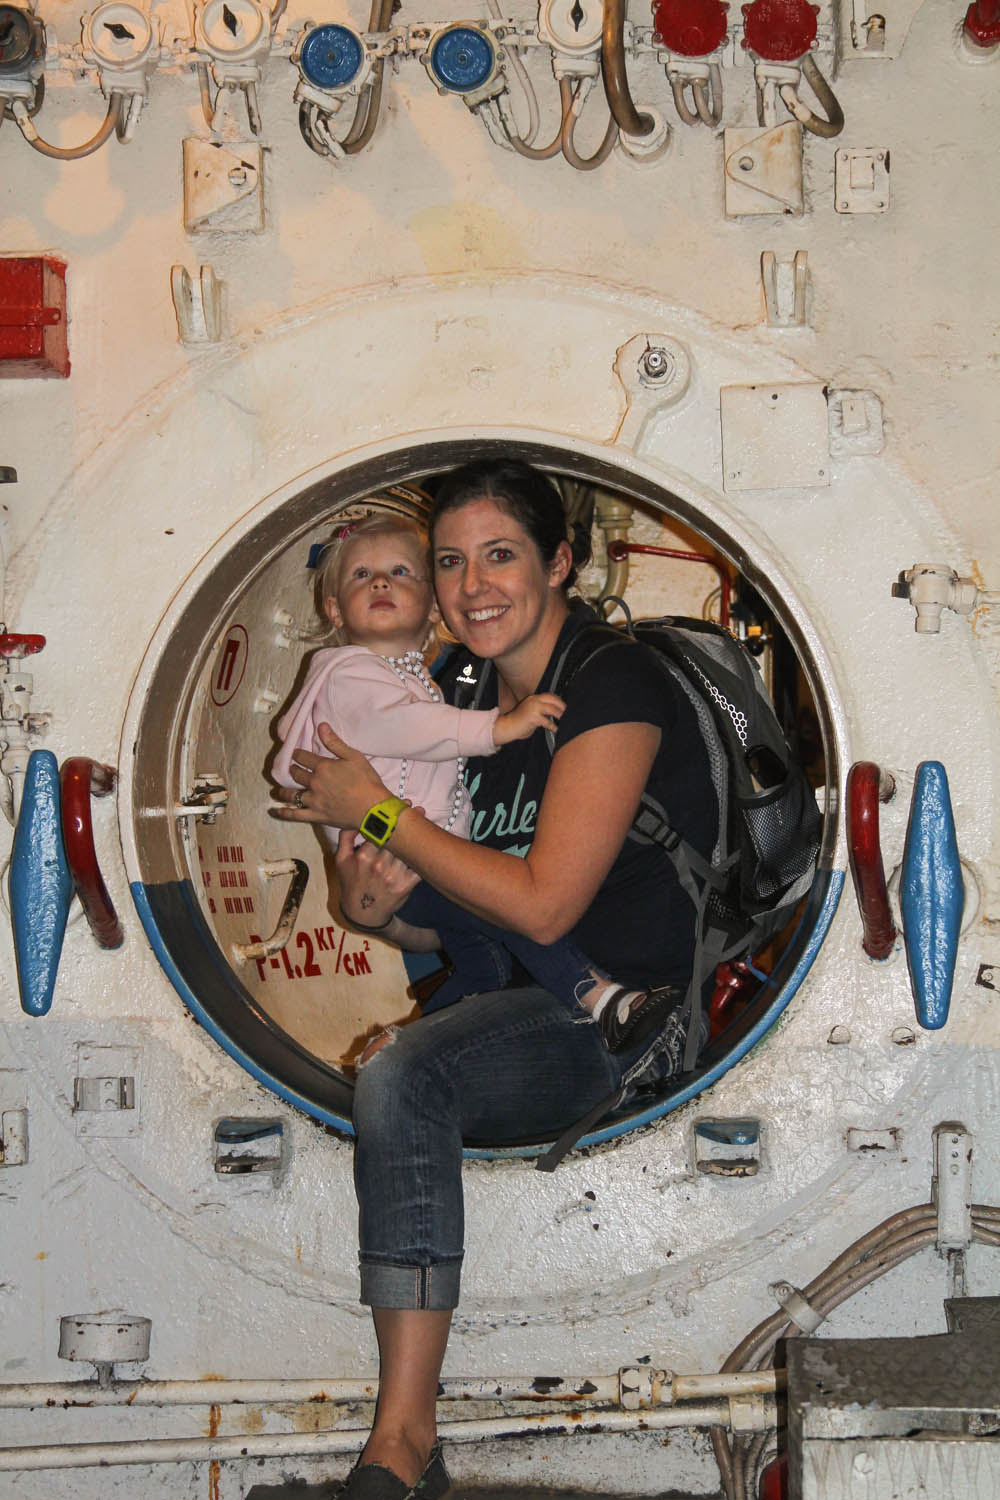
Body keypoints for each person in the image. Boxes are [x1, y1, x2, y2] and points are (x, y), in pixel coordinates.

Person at [274, 459, 718, 1500]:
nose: (472, 585)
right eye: (449, 561)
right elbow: (448, 911)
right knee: (406, 1057)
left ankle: (402, 1441)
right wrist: (373, 907)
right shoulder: (458, 693)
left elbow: (545, 907)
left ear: (560, 563)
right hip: (516, 1000)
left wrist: (379, 813)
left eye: (501, 555)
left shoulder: (610, 683)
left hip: (621, 1017)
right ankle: (406, 1447)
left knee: (407, 1075)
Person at [272, 511, 676, 1048]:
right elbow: (404, 727)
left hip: (420, 860)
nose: (381, 583)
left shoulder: (423, 680)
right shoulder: (349, 674)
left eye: (399, 572)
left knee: (485, 973)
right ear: (334, 608)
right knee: (508, 919)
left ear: (431, 607)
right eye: (361, 575)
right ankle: (599, 997)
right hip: (401, 859)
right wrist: (497, 728)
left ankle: (413, 1040)